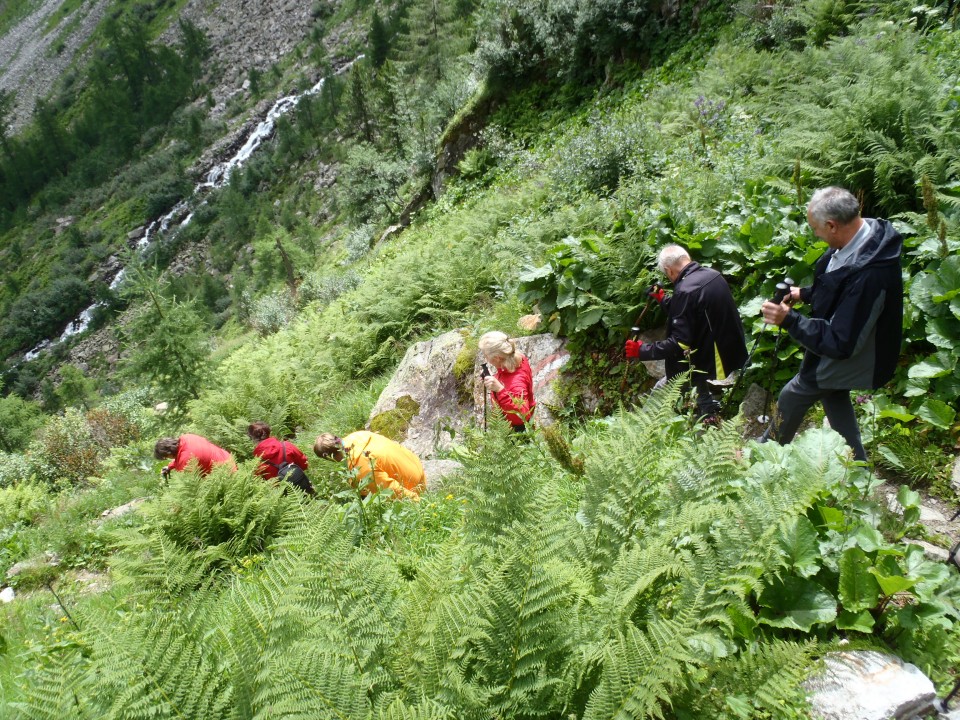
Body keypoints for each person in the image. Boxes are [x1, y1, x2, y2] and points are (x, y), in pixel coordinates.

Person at [760, 186, 903, 461]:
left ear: (832, 225)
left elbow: (841, 342)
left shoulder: (872, 274)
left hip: (863, 354)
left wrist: (788, 319)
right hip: (850, 342)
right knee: (832, 393)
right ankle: (857, 467)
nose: (815, 233)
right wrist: (805, 294)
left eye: (816, 228)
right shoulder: (864, 237)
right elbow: (841, 287)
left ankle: (762, 456)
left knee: (797, 391)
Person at [624, 244, 748, 421]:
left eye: (667, 274)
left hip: (712, 356)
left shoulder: (685, 290)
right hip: (729, 345)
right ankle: (706, 406)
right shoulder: (713, 275)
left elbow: (679, 342)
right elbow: (691, 312)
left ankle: (705, 416)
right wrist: (662, 298)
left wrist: (642, 351)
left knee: (681, 364)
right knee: (691, 361)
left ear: (669, 270)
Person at [313, 430, 425, 500]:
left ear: (328, 457)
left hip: (416, 484)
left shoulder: (359, 470)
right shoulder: (357, 435)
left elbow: (390, 489)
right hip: (415, 464)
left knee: (370, 491)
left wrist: (416, 500)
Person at [478, 331, 535, 432]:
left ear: (497, 358)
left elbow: (522, 416)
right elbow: (507, 378)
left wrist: (500, 390)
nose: (485, 358)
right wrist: (493, 378)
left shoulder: (517, 383)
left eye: (485, 355)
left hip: (518, 434)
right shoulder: (514, 358)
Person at [248, 421, 313, 495]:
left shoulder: (257, 463)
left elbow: (260, 485)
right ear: (269, 432)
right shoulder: (287, 446)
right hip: (302, 487)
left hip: (281, 498)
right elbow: (304, 464)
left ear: (252, 439)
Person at [154, 433, 236, 477]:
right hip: (228, 458)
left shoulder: (184, 463)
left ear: (169, 453)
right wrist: (170, 466)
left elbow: (189, 484)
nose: (168, 458)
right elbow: (182, 456)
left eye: (166, 457)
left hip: (226, 473)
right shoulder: (187, 436)